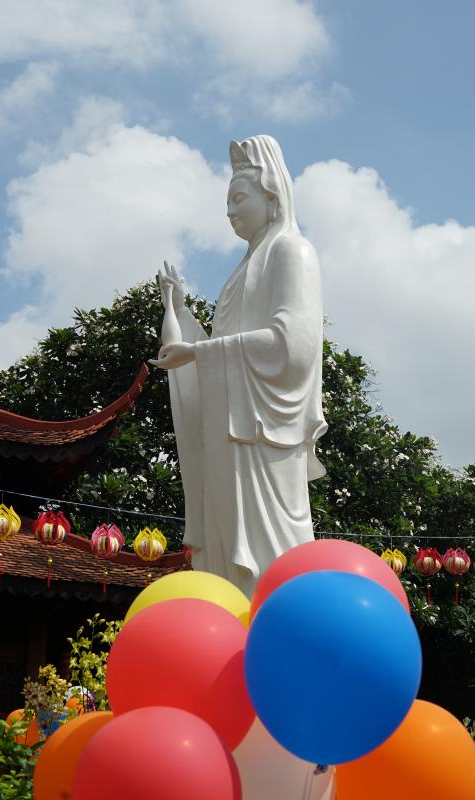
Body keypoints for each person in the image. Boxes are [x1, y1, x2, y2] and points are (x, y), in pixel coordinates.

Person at [151, 135, 327, 596]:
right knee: (223, 545)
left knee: (272, 558)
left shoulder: (292, 252)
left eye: (238, 198)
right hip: (227, 427)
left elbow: (293, 346)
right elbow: (217, 347)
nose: (229, 211)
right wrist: (181, 316)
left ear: (271, 195)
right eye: (227, 201)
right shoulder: (239, 272)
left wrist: (200, 354)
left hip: (263, 430)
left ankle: (276, 622)